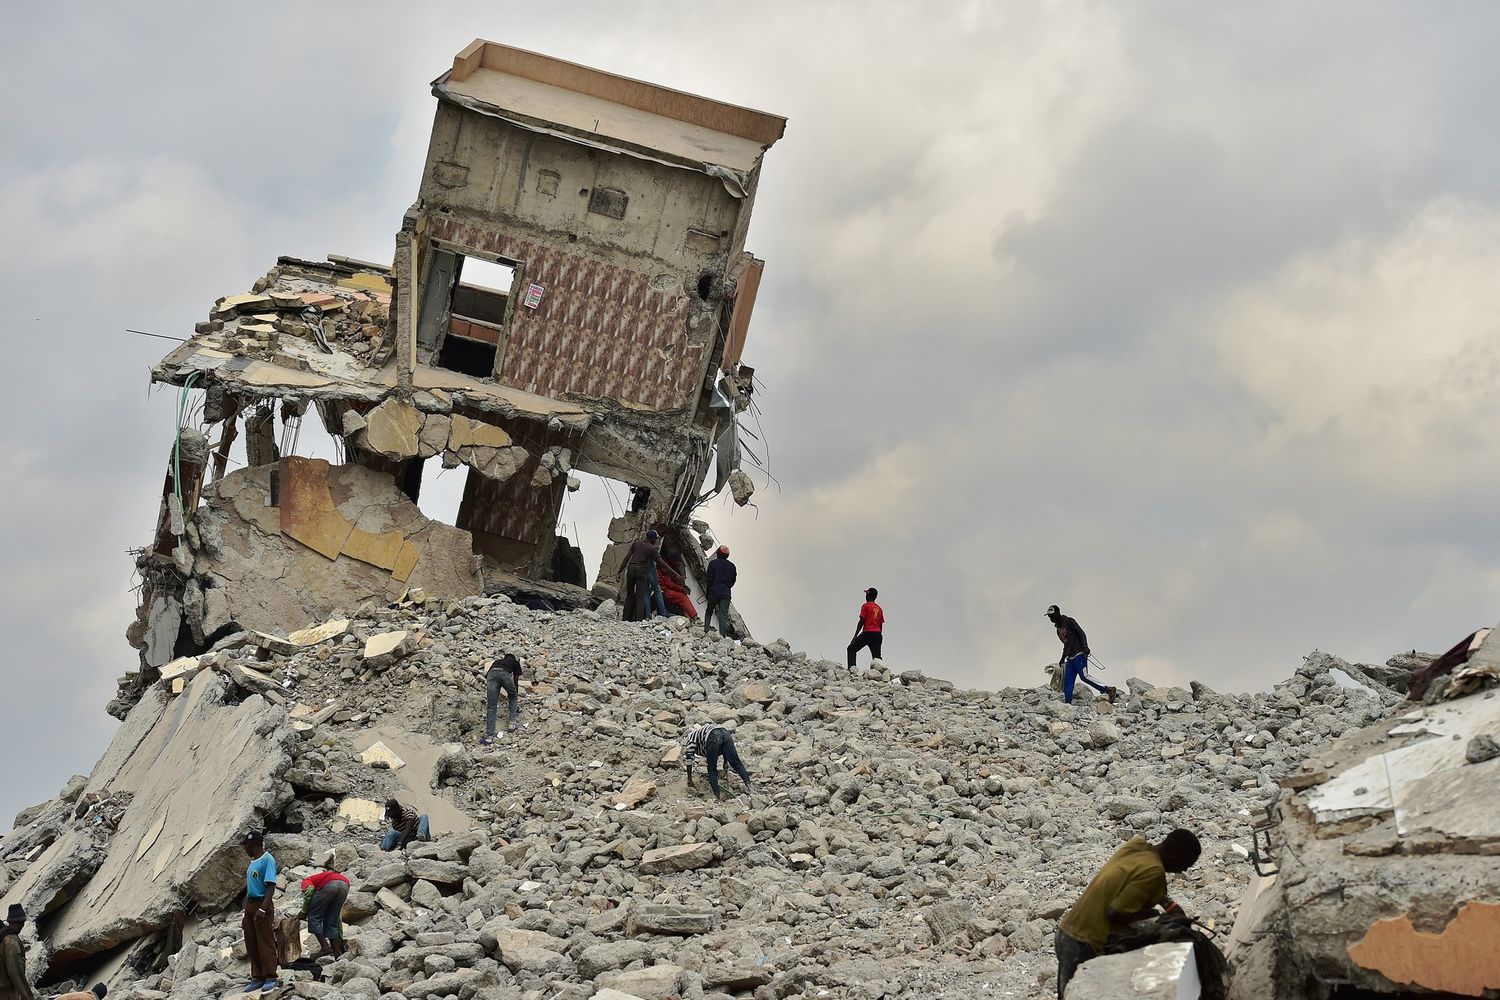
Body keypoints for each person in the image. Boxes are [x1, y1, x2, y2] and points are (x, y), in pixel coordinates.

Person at [1054, 829, 1202, 998]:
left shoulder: (1137, 846)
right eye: (1185, 865)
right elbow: (1115, 913)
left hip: (1067, 930)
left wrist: (1168, 905)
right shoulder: (1154, 872)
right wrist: (1156, 916)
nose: (1182, 870)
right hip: (1083, 941)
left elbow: (1136, 881)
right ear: (1174, 858)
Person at [1046, 605, 1117, 705]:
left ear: (1058, 614)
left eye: (1052, 616)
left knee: (1084, 676)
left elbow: (1081, 633)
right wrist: (1062, 658)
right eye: (1049, 617)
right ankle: (1068, 704)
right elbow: (1066, 644)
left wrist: (1085, 645)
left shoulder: (1069, 621)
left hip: (1079, 653)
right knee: (1068, 683)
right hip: (1070, 658)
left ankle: (1107, 689)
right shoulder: (1058, 630)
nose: (1051, 618)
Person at [241, 832, 279, 994]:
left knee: (265, 940)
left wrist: (263, 909)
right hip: (250, 905)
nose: (245, 849)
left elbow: (270, 885)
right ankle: (258, 976)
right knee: (252, 942)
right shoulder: (253, 862)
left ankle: (270, 976)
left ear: (255, 845)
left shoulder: (267, 859)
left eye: (247, 846)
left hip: (261, 903)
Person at [679, 723, 753, 799]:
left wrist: (689, 779)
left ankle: (717, 796)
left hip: (713, 736)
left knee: (712, 769)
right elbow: (723, 747)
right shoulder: (698, 735)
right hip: (725, 732)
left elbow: (689, 760)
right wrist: (725, 762)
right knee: (736, 763)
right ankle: (750, 788)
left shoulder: (690, 739)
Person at [299, 854, 349, 959]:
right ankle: (337, 953)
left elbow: (309, 891)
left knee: (314, 916)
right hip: (345, 884)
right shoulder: (324, 876)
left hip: (329, 885)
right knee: (332, 920)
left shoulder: (307, 880)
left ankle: (325, 947)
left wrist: (304, 911)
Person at [482, 653, 522, 744]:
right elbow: (516, 679)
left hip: (491, 675)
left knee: (491, 706)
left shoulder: (497, 661)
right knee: (513, 697)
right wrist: (514, 692)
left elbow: (488, 675)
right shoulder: (515, 662)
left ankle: (489, 736)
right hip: (504, 674)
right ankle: (512, 724)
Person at [625, 530, 663, 621]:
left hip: (631, 568)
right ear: (652, 539)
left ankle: (625, 618)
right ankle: (638, 620)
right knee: (640, 597)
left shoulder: (636, 543)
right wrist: (675, 574)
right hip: (641, 571)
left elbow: (627, 557)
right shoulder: (652, 548)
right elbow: (661, 563)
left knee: (629, 596)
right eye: (655, 539)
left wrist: (619, 571)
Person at [0, 904, 34, 1000]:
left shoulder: (2, 936)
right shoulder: (11, 941)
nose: (22, 926)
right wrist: (28, 997)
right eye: (22, 923)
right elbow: (16, 971)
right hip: (7, 994)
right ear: (17, 922)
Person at [847, 588, 885, 668]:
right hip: (877, 634)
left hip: (867, 633)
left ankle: (852, 670)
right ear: (875, 596)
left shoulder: (865, 606)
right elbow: (880, 624)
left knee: (851, 649)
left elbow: (861, 621)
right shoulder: (879, 609)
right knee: (877, 657)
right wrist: (879, 636)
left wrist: (855, 636)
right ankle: (880, 674)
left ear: (868, 595)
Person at [704, 546, 737, 637]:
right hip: (726, 593)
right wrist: (726, 587)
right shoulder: (732, 566)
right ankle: (723, 636)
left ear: (718, 553)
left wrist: (708, 593)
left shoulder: (713, 563)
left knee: (709, 611)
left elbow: (709, 579)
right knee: (723, 615)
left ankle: (706, 630)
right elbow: (733, 581)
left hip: (714, 591)